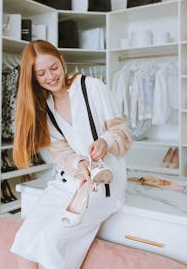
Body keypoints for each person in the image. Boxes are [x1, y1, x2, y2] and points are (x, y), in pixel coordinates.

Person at [10, 40, 132, 269]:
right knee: (23, 241)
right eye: (41, 73)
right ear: (33, 77)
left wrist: (106, 142)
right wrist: (78, 163)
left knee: (50, 244)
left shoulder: (92, 88)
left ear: (62, 61)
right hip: (67, 183)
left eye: (54, 68)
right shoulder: (43, 105)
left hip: (102, 187)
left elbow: (122, 132)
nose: (50, 77)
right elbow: (60, 152)